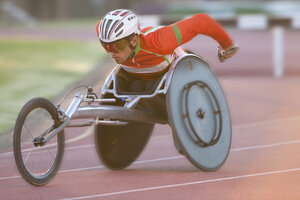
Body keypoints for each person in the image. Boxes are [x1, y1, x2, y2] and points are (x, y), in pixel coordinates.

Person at [96, 9, 238, 92]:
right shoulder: (104, 31)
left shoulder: (160, 41)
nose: (111, 52)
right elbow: (102, 26)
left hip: (176, 71)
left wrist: (227, 46)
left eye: (117, 46)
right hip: (138, 77)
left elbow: (202, 21)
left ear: (133, 40)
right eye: (106, 46)